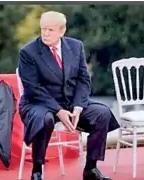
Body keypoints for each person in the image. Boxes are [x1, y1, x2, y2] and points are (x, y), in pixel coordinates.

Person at [18, 11, 120, 180]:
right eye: (43, 29)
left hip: (71, 103)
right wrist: (58, 110)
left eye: (50, 30)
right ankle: (37, 171)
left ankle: (91, 169)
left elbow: (83, 80)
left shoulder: (75, 46)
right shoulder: (28, 52)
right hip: (38, 104)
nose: (45, 33)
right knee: (44, 120)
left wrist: (78, 107)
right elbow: (32, 89)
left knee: (102, 113)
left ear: (62, 31)